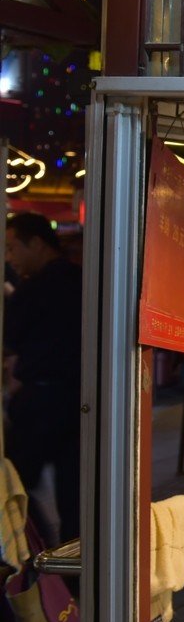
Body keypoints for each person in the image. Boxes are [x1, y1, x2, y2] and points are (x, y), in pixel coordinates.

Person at [3, 213, 82, 545]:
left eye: (11, 248)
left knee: (13, 487)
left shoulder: (32, 289)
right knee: (75, 496)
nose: (10, 258)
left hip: (40, 404)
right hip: (82, 401)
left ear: (36, 243)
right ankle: (71, 569)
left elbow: (10, 344)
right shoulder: (85, 280)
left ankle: (31, 552)